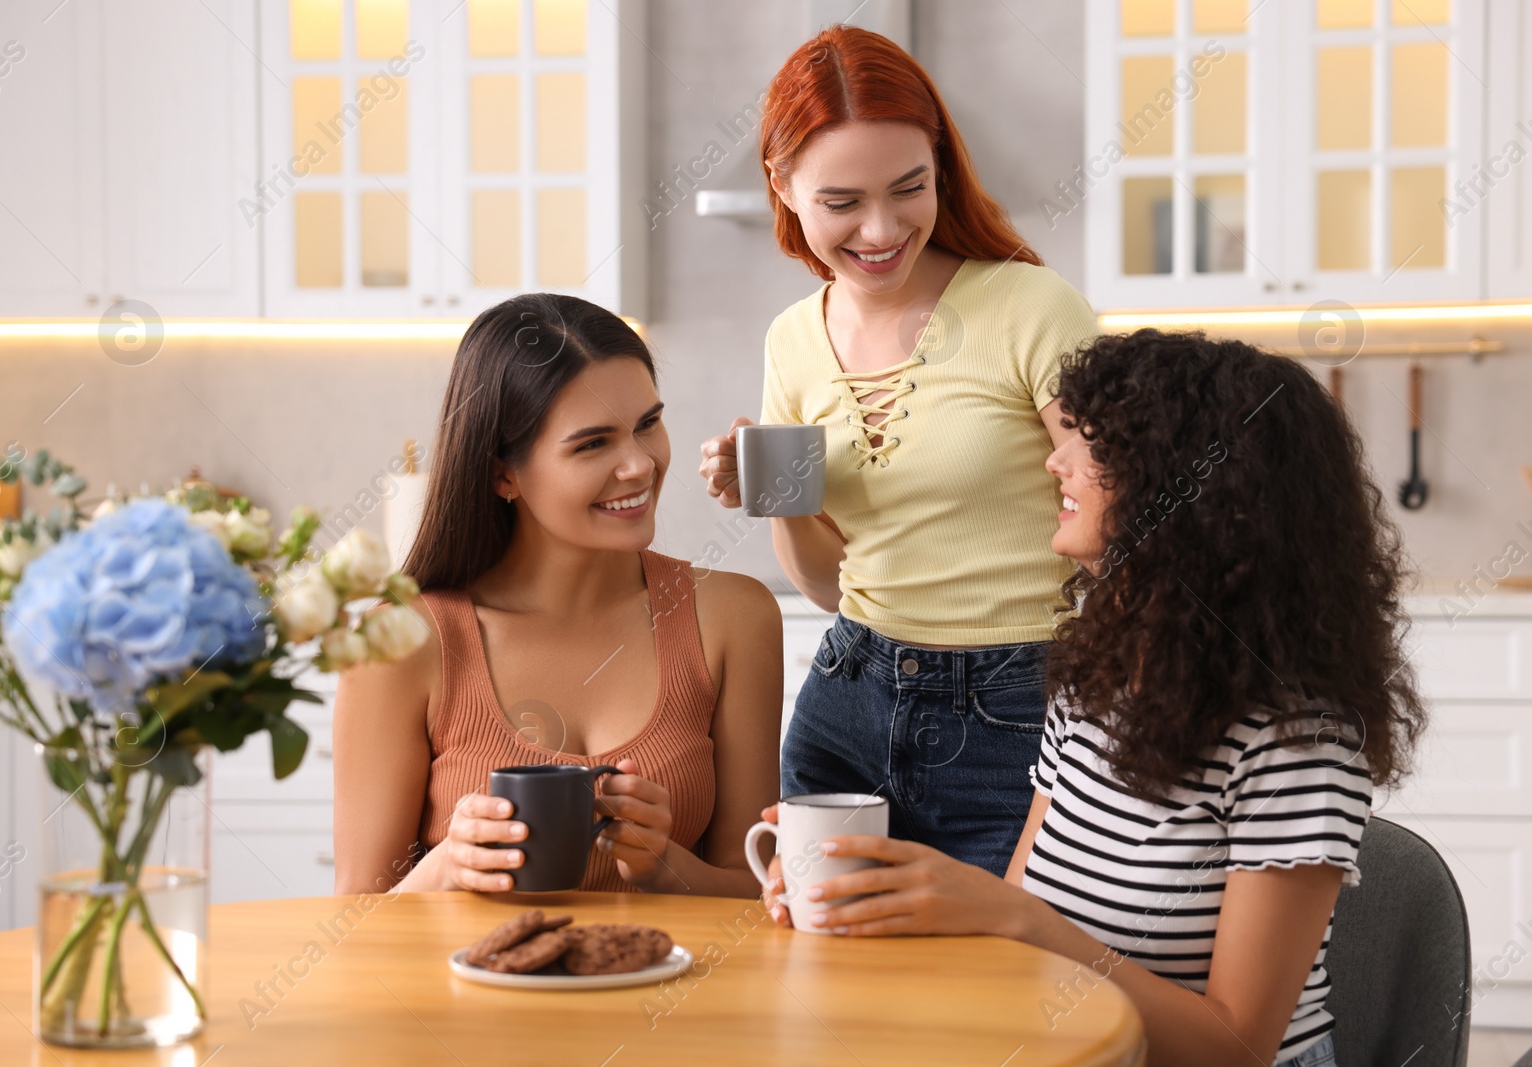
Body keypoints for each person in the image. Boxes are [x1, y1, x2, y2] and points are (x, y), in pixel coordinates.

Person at [764, 330, 1427, 1065]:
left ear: (1197, 490)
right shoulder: (1096, 674)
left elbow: (1235, 1044)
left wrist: (1014, 919)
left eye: (1097, 446)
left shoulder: (1299, 739)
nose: (1056, 460)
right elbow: (1023, 922)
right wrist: (887, 898)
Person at [698, 25, 1099, 875]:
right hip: (848, 697)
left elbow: (1119, 519)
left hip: (1020, 711)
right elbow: (821, 581)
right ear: (782, 184)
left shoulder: (1032, 308)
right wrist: (777, 489)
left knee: (999, 983)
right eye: (841, 202)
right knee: (825, 976)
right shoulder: (792, 341)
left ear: (941, 170)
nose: (880, 230)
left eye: (908, 188)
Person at [333, 293, 782, 897]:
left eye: (647, 424)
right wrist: (446, 870)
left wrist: (663, 866)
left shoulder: (734, 618)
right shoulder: (397, 644)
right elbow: (354, 923)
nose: (639, 465)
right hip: (465, 992)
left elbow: (755, 893)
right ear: (503, 473)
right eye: (593, 444)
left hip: (674, 990)